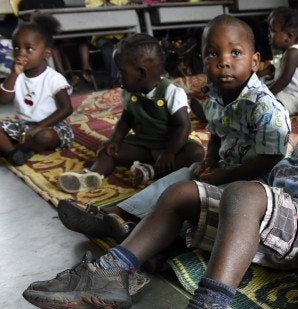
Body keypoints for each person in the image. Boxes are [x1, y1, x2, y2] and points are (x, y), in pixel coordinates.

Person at [22, 33, 298, 309]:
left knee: (244, 191)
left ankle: (208, 305)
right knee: (184, 191)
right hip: (269, 214)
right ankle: (111, 272)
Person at [56, 15, 291, 242]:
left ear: (255, 61)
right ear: (202, 60)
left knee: (191, 199)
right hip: (224, 169)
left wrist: (226, 175)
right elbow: (218, 134)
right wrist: (210, 159)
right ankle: (116, 214)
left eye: (235, 53)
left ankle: (150, 237)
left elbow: (270, 160)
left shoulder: (265, 107)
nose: (224, 61)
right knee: (175, 180)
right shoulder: (216, 98)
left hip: (254, 185)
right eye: (212, 53)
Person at [57, 33, 205, 193]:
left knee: (195, 153)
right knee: (108, 150)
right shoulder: (129, 92)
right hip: (143, 143)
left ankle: (151, 170)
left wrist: (170, 152)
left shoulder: (171, 92)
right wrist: (115, 139)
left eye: (121, 72)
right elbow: (126, 120)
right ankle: (92, 176)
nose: (118, 77)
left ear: (141, 73)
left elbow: (182, 125)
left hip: (170, 144)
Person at [0, 14, 74, 167]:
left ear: (46, 53)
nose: (21, 53)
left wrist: (38, 128)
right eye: (16, 47)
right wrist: (13, 74)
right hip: (24, 125)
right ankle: (14, 153)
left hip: (51, 125)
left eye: (29, 49)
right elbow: (4, 100)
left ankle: (16, 149)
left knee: (45, 137)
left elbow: (67, 109)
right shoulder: (16, 75)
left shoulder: (54, 78)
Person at [260, 6, 298, 115]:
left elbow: (284, 80)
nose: (268, 34)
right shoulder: (285, 48)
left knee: (272, 106)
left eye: (272, 31)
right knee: (261, 84)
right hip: (287, 91)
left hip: (297, 97)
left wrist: (264, 97)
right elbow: (276, 66)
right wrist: (259, 75)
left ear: (289, 36)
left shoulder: (294, 52)